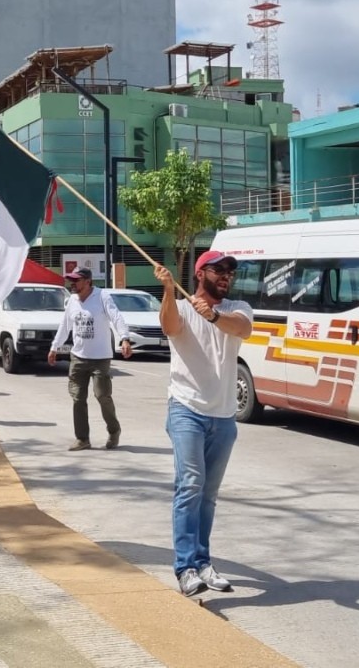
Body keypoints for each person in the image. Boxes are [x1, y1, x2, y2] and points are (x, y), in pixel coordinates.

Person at [156, 251, 253, 597]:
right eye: (219, 270)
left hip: (224, 416)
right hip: (186, 409)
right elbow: (169, 327)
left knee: (208, 495)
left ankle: (202, 562)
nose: (227, 275)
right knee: (191, 485)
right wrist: (169, 290)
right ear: (200, 274)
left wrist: (212, 316)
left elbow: (242, 329)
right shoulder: (181, 307)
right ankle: (185, 568)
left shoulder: (236, 308)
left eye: (231, 271)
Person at [48, 267, 133, 451]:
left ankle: (114, 430)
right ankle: (82, 439)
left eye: (76, 280)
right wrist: (54, 347)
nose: (73, 284)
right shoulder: (72, 300)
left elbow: (116, 317)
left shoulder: (102, 297)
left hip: (100, 358)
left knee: (102, 395)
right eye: (71, 280)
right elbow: (65, 325)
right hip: (78, 357)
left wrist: (125, 338)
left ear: (88, 281)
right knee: (78, 398)